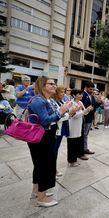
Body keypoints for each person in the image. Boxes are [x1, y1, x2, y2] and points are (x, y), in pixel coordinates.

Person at [27, 76, 72, 207]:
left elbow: (55, 117)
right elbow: (45, 120)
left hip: (47, 135)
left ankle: (36, 191)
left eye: (55, 83)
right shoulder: (38, 101)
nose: (54, 86)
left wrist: (64, 111)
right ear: (42, 85)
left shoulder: (48, 100)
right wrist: (61, 112)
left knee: (41, 165)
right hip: (41, 137)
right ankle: (41, 197)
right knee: (46, 166)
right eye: (51, 84)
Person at [51, 85, 82, 177]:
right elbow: (56, 118)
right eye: (61, 92)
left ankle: (54, 169)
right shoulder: (53, 103)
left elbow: (67, 116)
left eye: (64, 91)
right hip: (56, 129)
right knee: (53, 151)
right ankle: (52, 171)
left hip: (61, 129)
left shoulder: (62, 102)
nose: (63, 93)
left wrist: (73, 111)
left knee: (55, 150)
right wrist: (70, 113)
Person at [68, 88, 93, 165]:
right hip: (73, 125)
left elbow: (84, 113)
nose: (81, 95)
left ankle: (75, 159)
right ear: (74, 95)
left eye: (81, 94)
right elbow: (74, 115)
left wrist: (88, 110)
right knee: (72, 143)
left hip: (80, 124)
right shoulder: (71, 103)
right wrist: (84, 111)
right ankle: (71, 160)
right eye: (79, 94)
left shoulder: (81, 103)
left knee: (77, 142)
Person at [81, 82, 103, 155]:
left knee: (86, 134)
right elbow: (87, 107)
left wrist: (99, 102)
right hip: (85, 117)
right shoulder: (83, 95)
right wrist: (96, 103)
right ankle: (83, 149)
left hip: (90, 116)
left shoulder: (91, 96)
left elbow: (94, 106)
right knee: (84, 134)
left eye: (93, 89)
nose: (92, 91)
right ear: (86, 88)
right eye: (90, 89)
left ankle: (84, 148)